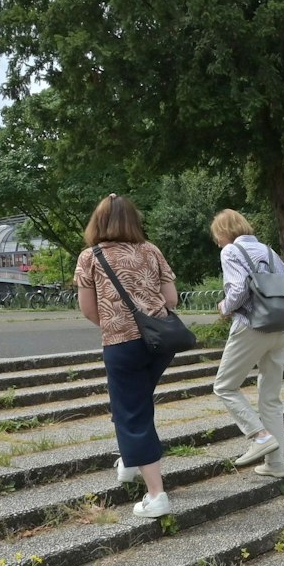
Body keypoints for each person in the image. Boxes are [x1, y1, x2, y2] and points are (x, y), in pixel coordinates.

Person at [73, 194, 179, 519]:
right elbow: (171, 299)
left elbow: (89, 309)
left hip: (121, 343)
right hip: (160, 341)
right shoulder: (151, 250)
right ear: (134, 219)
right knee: (132, 403)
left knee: (133, 413)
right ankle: (130, 462)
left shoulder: (90, 257)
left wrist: (116, 326)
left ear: (98, 221)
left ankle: (156, 495)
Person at [209, 209, 284, 478]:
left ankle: (259, 436)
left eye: (217, 237)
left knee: (224, 386)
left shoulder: (231, 251)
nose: (218, 243)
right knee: (270, 398)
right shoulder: (270, 252)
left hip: (253, 326)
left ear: (224, 232)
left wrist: (224, 308)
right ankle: (276, 464)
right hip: (283, 326)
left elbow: (237, 290)